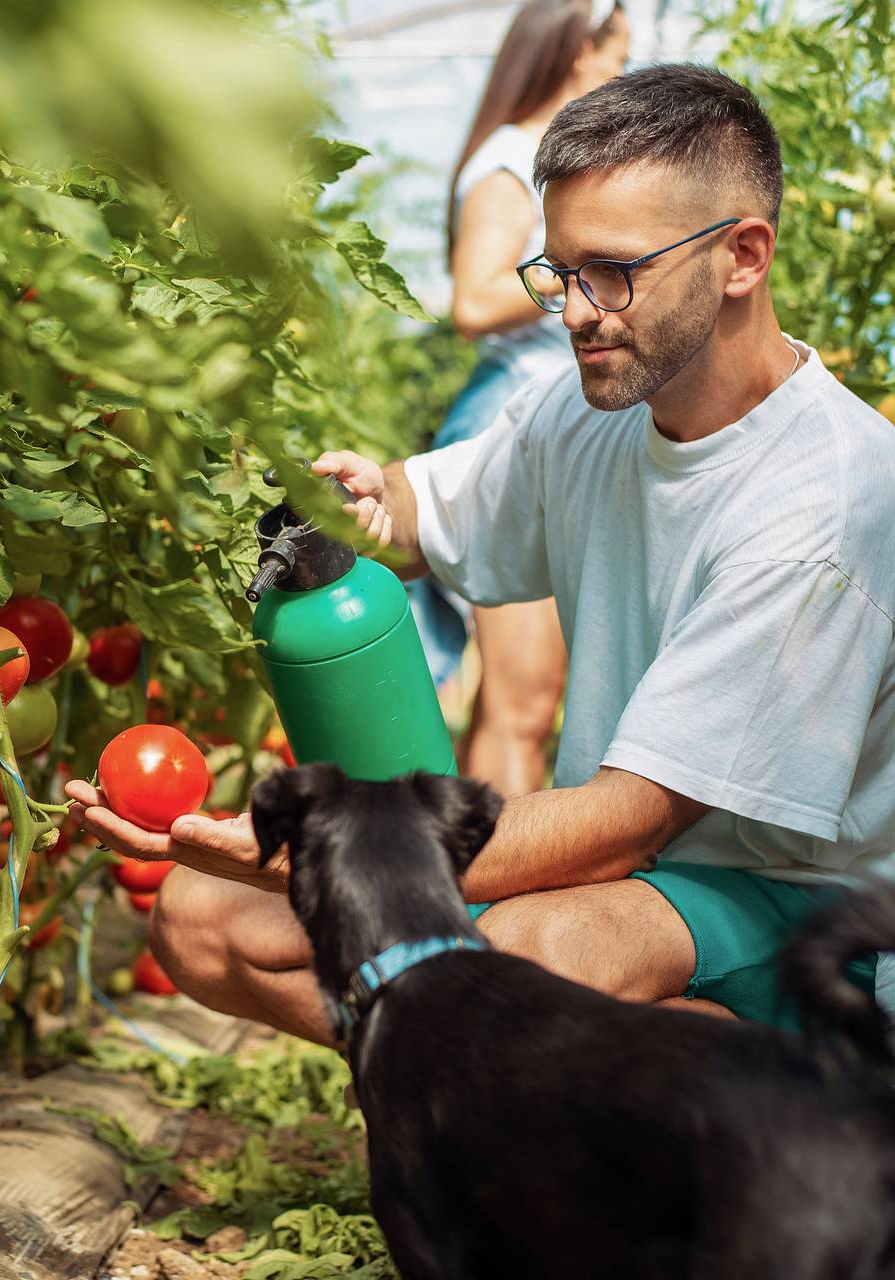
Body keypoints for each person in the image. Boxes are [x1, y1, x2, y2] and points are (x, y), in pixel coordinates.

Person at [67, 63, 895, 1045]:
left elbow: (625, 819)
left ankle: (755, 1104)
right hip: (634, 880)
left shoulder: (822, 507)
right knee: (200, 919)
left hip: (800, 914)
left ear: (741, 256)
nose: (576, 311)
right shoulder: (588, 409)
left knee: (524, 954)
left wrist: (325, 847)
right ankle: (494, 1091)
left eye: (611, 271)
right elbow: (427, 512)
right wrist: (350, 503)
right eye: (556, 272)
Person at [411, 0, 630, 799]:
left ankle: (467, 892)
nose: (619, 76)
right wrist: (596, 268)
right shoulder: (511, 158)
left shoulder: (549, 159)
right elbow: (473, 300)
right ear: (577, 52)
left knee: (518, 701)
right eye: (614, 58)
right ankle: (503, 912)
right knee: (522, 701)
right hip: (513, 421)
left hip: (554, 423)